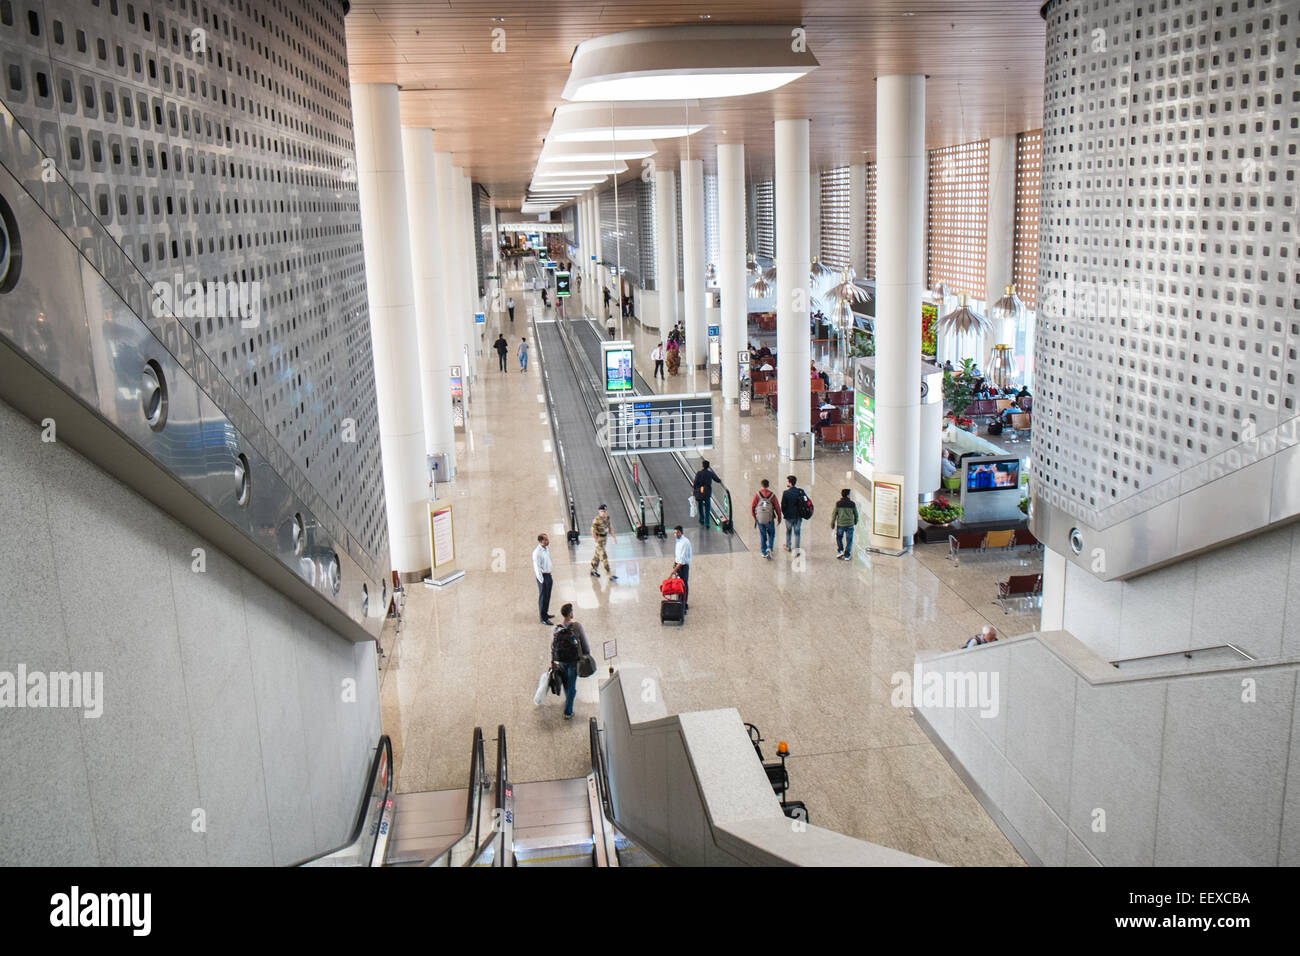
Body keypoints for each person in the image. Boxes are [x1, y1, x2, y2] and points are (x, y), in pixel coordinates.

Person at [550, 604, 592, 720]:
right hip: (573, 661)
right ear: (570, 613)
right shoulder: (577, 626)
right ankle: (568, 711)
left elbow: (553, 646)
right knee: (572, 686)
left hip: (561, 661)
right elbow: (585, 645)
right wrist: (586, 654)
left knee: (566, 682)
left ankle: (568, 698)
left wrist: (553, 661)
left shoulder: (557, 628)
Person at [750, 478, 782, 559]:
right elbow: (777, 507)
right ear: (768, 485)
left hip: (760, 519)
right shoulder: (772, 495)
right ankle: (769, 548)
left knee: (762, 535)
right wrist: (779, 517)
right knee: (771, 534)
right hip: (769, 519)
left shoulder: (757, 495)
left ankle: (763, 552)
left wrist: (755, 518)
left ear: (761, 485)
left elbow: (752, 507)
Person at [589, 504, 618, 580]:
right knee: (604, 557)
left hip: (605, 539)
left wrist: (614, 537)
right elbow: (592, 530)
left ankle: (593, 570)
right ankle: (609, 574)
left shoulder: (607, 518)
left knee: (597, 556)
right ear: (599, 511)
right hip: (599, 540)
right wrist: (596, 539)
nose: (603, 513)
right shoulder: (596, 520)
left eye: (604, 511)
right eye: (602, 511)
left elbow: (610, 528)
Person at [781, 475, 808, 553]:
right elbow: (805, 502)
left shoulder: (786, 493)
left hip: (789, 516)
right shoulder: (800, 491)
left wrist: (785, 513)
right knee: (797, 533)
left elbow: (783, 505)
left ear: (790, 483)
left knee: (788, 531)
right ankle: (797, 550)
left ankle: (788, 546)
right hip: (798, 515)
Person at [692, 459, 722, 528]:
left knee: (700, 505)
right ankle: (707, 522)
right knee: (707, 507)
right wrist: (720, 479)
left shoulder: (699, 473)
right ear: (708, 466)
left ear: (702, 466)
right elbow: (717, 480)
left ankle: (702, 519)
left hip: (700, 491)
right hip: (707, 492)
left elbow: (695, 482)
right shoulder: (710, 473)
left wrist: (694, 491)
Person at [532, 533, 554, 625]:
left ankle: (545, 613)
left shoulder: (546, 549)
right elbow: (537, 568)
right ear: (541, 541)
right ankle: (543, 618)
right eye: (545, 540)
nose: (547, 541)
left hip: (548, 575)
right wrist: (541, 580)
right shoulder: (537, 552)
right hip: (543, 577)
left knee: (548, 596)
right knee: (543, 597)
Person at [831, 488, 859, 560]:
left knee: (839, 537)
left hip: (841, 524)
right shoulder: (852, 504)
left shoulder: (838, 504)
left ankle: (840, 550)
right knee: (849, 540)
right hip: (850, 525)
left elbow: (834, 514)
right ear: (848, 495)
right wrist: (855, 521)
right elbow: (856, 514)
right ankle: (847, 555)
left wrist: (832, 523)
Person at [671, 526, 692, 612]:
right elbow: (678, 554)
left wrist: (675, 570)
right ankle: (680, 601)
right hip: (678, 565)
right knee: (679, 584)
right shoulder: (678, 540)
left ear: (681, 532)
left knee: (683, 585)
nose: (675, 534)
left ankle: (684, 604)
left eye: (677, 533)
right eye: (674, 533)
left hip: (683, 567)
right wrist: (675, 562)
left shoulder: (685, 542)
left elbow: (683, 559)